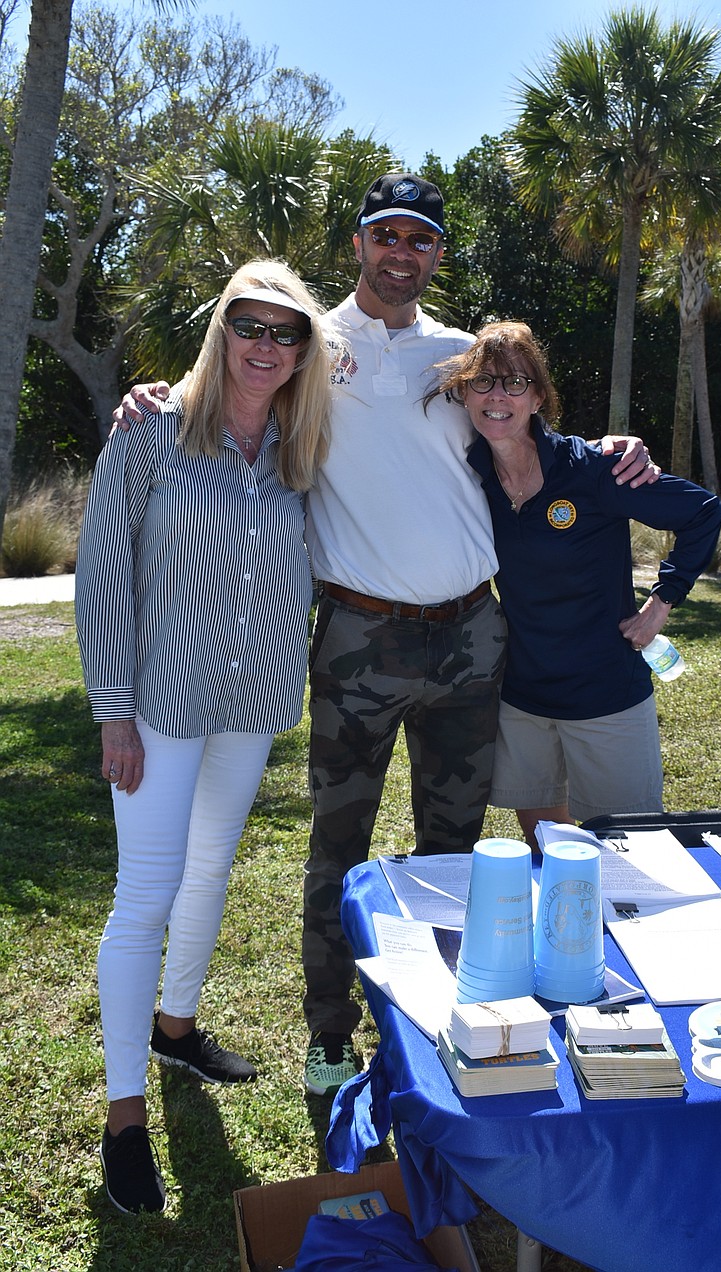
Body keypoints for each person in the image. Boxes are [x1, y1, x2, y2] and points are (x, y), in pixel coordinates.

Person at [112, 173, 656, 1099]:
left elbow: (529, 437)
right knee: (340, 845)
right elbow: (227, 386)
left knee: (454, 851)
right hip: (357, 637)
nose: (402, 251)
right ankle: (331, 1036)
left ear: (438, 252)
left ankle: (442, 1019)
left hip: (472, 638)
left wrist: (615, 448)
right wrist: (149, 397)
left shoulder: (462, 354)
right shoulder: (306, 345)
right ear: (359, 244)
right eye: (385, 235)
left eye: (421, 238)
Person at [76, 259, 332, 1214]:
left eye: (286, 330)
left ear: (305, 347)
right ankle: (125, 1117)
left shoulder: (302, 449)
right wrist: (113, 711)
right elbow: (102, 579)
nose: (265, 345)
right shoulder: (148, 434)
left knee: (212, 863)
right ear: (221, 328)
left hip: (252, 696)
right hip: (158, 703)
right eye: (249, 324)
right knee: (144, 891)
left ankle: (175, 1029)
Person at [425, 320, 721, 843]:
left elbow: (702, 510)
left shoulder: (591, 470)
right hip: (523, 695)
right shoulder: (468, 472)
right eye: (483, 382)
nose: (498, 397)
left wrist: (660, 604)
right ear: (464, 393)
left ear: (538, 397)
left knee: (633, 845)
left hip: (606, 692)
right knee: (546, 839)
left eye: (515, 383)